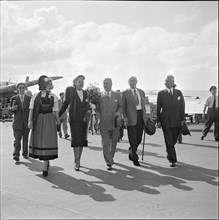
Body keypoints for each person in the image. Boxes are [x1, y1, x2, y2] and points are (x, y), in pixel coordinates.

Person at [28, 75, 60, 177]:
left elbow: (55, 112)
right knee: (41, 141)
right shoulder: (36, 96)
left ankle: (45, 167)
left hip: (50, 121)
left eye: (51, 83)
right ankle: (46, 162)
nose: (51, 85)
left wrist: (58, 123)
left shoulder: (54, 96)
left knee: (47, 142)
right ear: (44, 85)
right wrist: (30, 121)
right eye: (49, 83)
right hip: (39, 120)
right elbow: (31, 110)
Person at [59, 75, 88, 171]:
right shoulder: (70, 90)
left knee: (82, 140)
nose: (81, 83)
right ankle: (77, 161)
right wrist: (58, 115)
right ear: (75, 82)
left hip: (84, 119)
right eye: (79, 81)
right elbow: (66, 103)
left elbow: (88, 105)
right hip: (74, 118)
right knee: (76, 140)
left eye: (83, 81)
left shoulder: (86, 92)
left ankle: (79, 158)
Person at [156, 75, 186, 167]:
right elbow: (158, 108)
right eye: (165, 81)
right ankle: (172, 160)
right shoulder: (161, 93)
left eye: (168, 81)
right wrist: (158, 121)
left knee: (173, 140)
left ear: (173, 82)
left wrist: (183, 119)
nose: (166, 83)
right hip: (166, 120)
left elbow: (182, 107)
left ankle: (169, 151)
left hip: (177, 120)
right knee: (168, 140)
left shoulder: (178, 93)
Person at [97, 78, 123, 171]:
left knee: (114, 143)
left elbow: (121, 106)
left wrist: (119, 113)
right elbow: (97, 108)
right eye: (104, 83)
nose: (105, 85)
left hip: (114, 122)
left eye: (107, 83)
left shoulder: (117, 95)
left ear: (111, 84)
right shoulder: (99, 95)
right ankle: (109, 162)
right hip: (104, 122)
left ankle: (110, 157)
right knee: (105, 144)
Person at [122, 76, 147, 167]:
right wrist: (124, 117)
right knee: (132, 138)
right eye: (130, 81)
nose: (132, 83)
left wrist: (145, 117)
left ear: (137, 82)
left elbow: (144, 106)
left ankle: (131, 150)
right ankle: (135, 158)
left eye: (133, 81)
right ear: (128, 83)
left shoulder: (141, 92)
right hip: (130, 117)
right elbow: (123, 106)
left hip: (140, 115)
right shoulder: (125, 93)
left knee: (139, 138)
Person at [9, 82, 31, 163]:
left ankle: (25, 153)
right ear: (17, 89)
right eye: (20, 88)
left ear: (25, 88)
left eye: (23, 87)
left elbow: (32, 110)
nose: (22, 89)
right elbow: (10, 110)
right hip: (17, 123)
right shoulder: (13, 98)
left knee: (25, 139)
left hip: (26, 123)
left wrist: (31, 121)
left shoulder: (29, 98)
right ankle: (16, 154)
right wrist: (12, 109)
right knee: (17, 140)